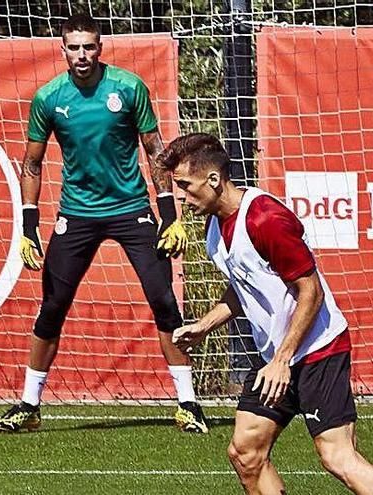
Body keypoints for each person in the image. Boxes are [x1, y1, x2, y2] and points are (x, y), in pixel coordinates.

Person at [0, 13, 206, 434]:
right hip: (77, 214)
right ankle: (28, 405)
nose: (82, 55)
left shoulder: (127, 88)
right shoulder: (48, 98)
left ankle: (189, 404)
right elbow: (31, 164)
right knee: (52, 306)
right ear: (63, 50)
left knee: (164, 301)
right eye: (73, 47)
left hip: (133, 211)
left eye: (89, 46)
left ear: (100, 48)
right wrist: (27, 226)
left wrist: (171, 217)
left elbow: (155, 150)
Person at [165, 133, 373, 494]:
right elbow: (245, 286)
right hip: (277, 358)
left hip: (317, 351)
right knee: (246, 454)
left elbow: (312, 290)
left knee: (336, 456)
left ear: (213, 180)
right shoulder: (214, 226)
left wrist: (281, 360)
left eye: (184, 185)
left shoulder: (265, 219)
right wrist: (204, 325)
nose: (180, 196)